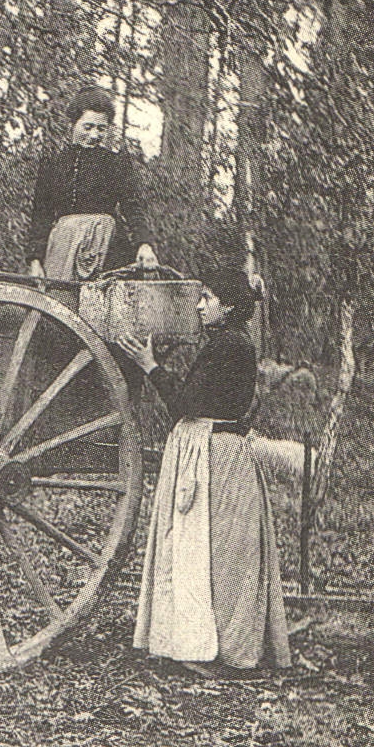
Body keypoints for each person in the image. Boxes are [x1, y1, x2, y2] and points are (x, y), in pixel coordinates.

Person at [117, 268, 292, 678]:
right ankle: (203, 641)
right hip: (212, 449)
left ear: (227, 307)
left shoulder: (230, 346)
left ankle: (223, 648)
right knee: (214, 548)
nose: (199, 306)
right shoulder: (228, 342)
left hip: (216, 456)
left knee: (217, 549)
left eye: (207, 298)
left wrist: (150, 366)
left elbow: (185, 404)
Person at [27, 86, 157, 278]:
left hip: (107, 247)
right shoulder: (53, 164)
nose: (94, 135)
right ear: (73, 124)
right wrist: (35, 260)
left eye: (101, 129)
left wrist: (144, 244)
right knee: (58, 292)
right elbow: (41, 215)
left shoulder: (115, 162)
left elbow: (133, 207)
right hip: (63, 245)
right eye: (87, 127)